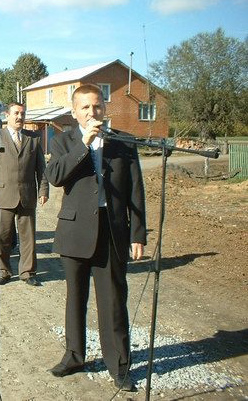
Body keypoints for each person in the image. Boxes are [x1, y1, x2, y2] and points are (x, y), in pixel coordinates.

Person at [45, 84, 146, 392]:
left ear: (105, 108)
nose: (92, 112)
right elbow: (55, 176)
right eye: (85, 107)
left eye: (97, 106)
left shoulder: (123, 142)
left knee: (114, 301)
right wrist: (84, 145)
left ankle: (119, 365)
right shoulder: (62, 140)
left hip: (112, 231)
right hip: (75, 231)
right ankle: (74, 355)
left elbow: (136, 191)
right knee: (75, 299)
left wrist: (138, 234)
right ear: (75, 112)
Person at [0, 102, 48, 286]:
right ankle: (3, 270)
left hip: (27, 194)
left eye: (23, 114)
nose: (19, 117)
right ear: (7, 115)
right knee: (3, 236)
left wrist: (43, 189)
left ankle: (28, 271)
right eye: (16, 113)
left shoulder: (33, 138)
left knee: (28, 237)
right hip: (3, 194)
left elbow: (41, 168)